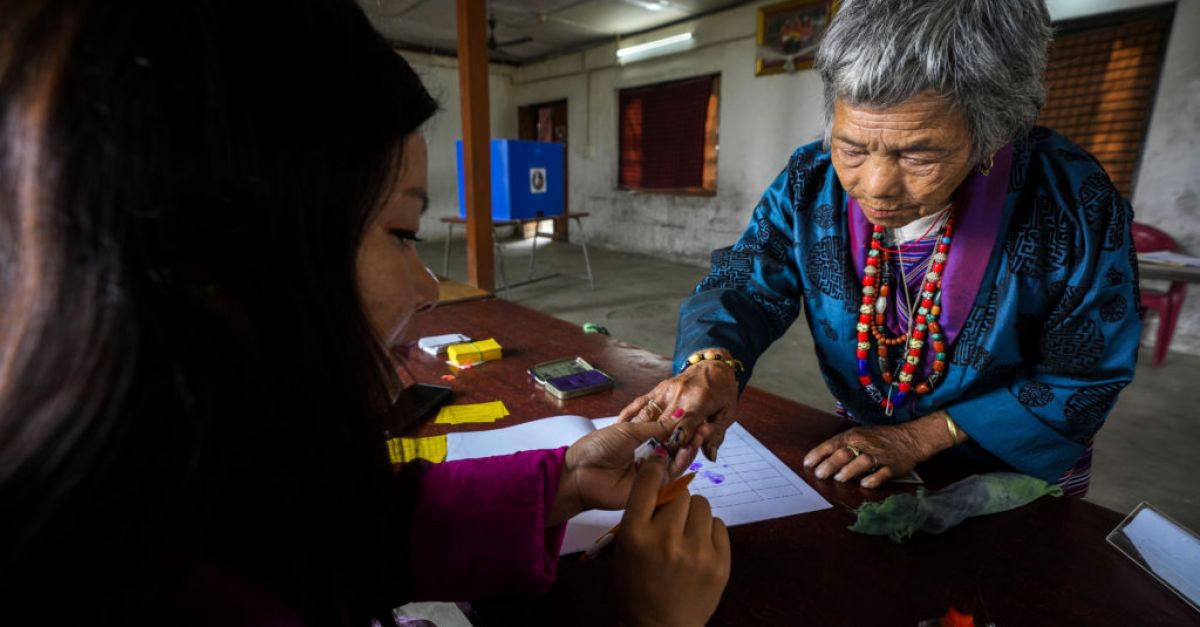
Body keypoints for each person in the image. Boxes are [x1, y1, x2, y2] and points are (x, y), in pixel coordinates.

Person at [0, 0, 728, 624]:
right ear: (238, 250)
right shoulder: (153, 590)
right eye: (402, 232)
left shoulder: (186, 481)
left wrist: (567, 478)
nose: (430, 288)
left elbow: (336, 528)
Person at [620, 0, 1141, 496]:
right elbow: (746, 280)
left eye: (918, 155)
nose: (875, 185)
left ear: (992, 135)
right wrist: (713, 363)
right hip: (862, 447)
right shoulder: (811, 180)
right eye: (853, 146)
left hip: (1008, 463)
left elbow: (1085, 375)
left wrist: (920, 436)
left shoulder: (1073, 204)